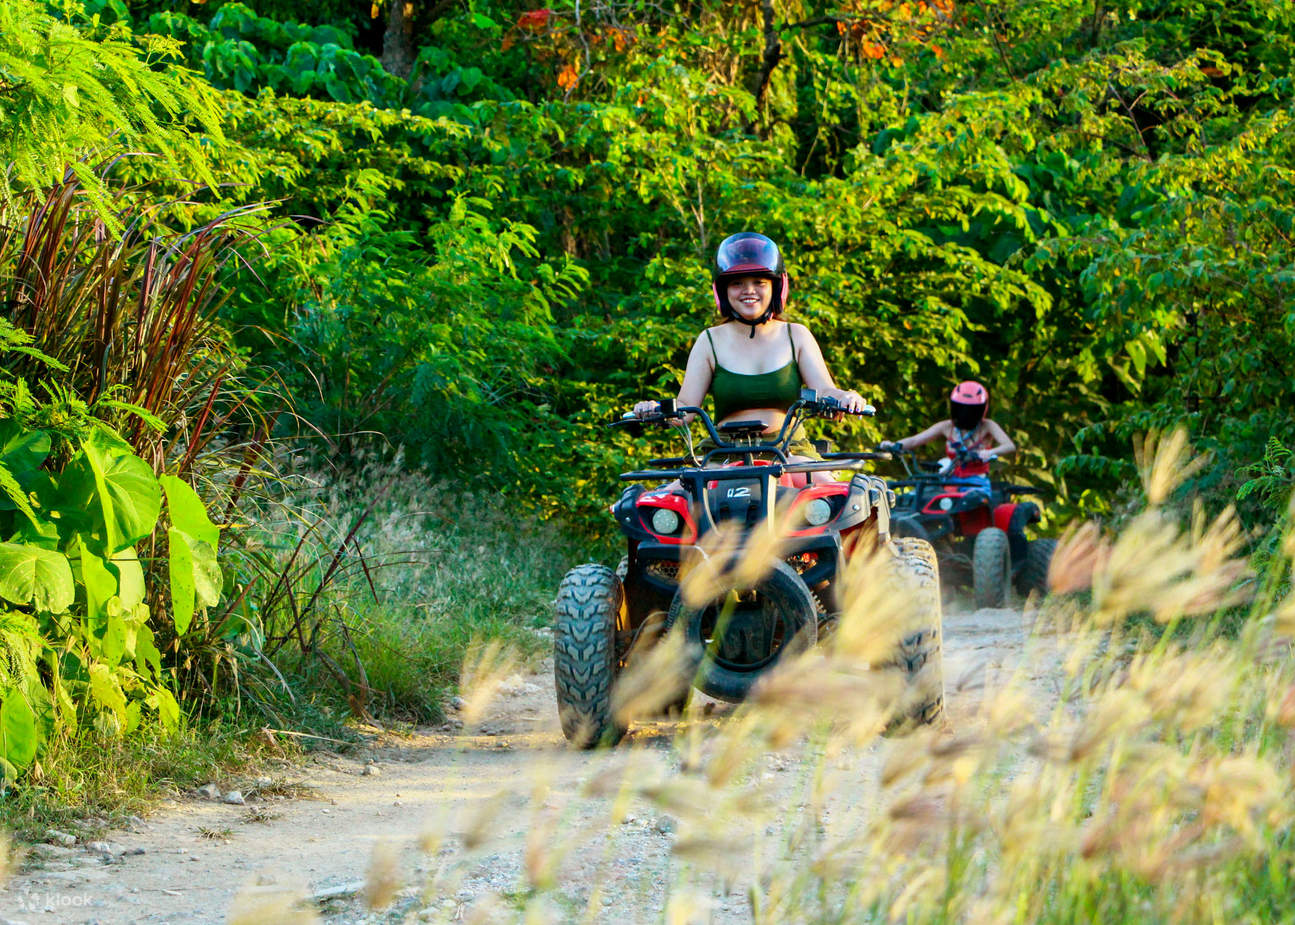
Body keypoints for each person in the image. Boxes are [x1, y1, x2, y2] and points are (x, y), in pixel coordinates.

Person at [632, 232, 865, 476]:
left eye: (759, 283)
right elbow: (686, 408)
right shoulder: (709, 340)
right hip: (721, 453)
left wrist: (846, 397)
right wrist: (654, 409)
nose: (748, 290)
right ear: (722, 291)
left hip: (787, 450)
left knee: (832, 498)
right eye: (737, 283)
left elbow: (825, 390)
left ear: (776, 287)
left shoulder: (796, 335)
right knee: (666, 504)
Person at [880, 380, 1015, 490]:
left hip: (975, 482)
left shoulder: (987, 426)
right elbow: (916, 440)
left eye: (971, 410)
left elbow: (1009, 446)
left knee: (973, 501)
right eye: (961, 408)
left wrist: (990, 452)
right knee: (920, 497)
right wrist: (894, 445)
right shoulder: (947, 426)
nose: (965, 413)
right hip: (948, 479)